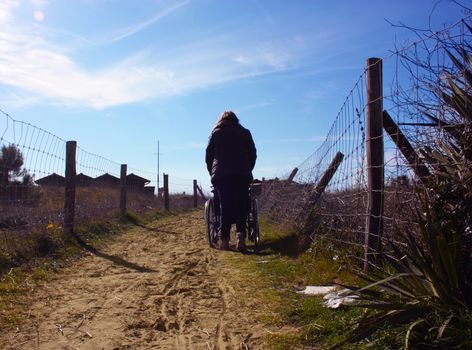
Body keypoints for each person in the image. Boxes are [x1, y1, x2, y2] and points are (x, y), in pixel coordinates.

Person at [205, 111, 257, 251]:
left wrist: (213, 173)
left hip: (222, 176)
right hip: (241, 174)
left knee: (224, 205)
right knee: (241, 204)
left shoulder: (216, 133)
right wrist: (248, 169)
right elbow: (253, 154)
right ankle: (241, 238)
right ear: (236, 120)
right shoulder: (245, 133)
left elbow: (209, 156)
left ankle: (225, 240)